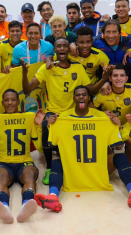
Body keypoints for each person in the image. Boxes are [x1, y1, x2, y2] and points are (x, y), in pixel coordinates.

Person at [34, 86, 131, 212]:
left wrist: (117, 126)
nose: (81, 97)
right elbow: (44, 147)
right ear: (74, 98)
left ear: (89, 98)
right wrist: (47, 126)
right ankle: (53, 196)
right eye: (78, 95)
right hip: (72, 167)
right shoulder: (62, 117)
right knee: (56, 162)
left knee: (120, 157)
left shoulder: (102, 117)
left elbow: (118, 145)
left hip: (98, 166)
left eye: (84, 95)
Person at [22, 38, 112, 184]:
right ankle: (50, 168)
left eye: (65, 45)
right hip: (54, 111)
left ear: (69, 49)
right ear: (55, 50)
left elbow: (91, 90)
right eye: (59, 46)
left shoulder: (77, 67)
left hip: (73, 111)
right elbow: (27, 89)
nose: (62, 48)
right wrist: (24, 74)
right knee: (46, 126)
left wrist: (104, 79)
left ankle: (85, 165)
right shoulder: (47, 68)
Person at [0, 89, 45, 224]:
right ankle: (5, 208)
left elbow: (40, 148)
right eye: (7, 100)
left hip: (24, 161)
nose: (9, 103)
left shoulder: (29, 117)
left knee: (30, 174)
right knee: (0, 177)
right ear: (2, 103)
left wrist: (38, 126)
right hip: (4, 162)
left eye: (13, 99)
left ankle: (26, 206)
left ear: (18, 102)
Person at [91, 64, 131, 169]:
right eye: (115, 76)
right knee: (107, 160)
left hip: (126, 126)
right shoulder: (104, 92)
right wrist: (102, 114)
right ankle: (111, 153)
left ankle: (127, 154)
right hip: (109, 127)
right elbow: (89, 110)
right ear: (109, 78)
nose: (119, 78)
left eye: (122, 75)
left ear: (126, 78)